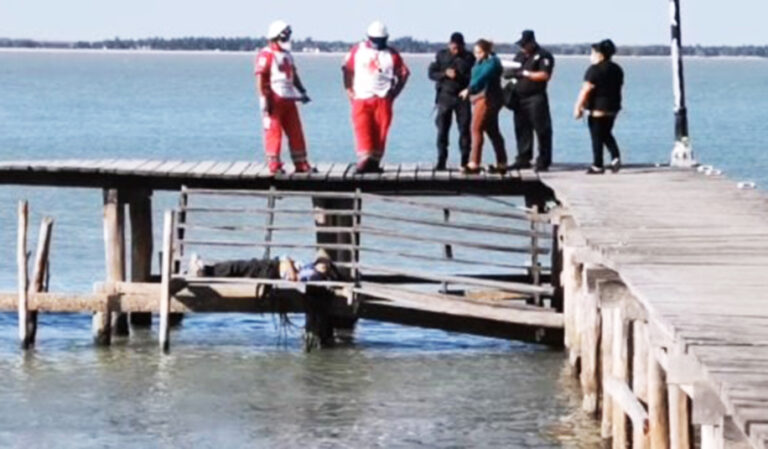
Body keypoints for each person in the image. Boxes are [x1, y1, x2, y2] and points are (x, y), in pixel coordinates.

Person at [342, 21, 410, 174]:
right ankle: (364, 160)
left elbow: (404, 74)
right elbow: (347, 70)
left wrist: (394, 93)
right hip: (362, 97)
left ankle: (374, 162)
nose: (378, 43)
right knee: (362, 129)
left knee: (380, 131)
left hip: (383, 98)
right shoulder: (357, 50)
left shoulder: (392, 54)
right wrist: (349, 90)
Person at [255, 20, 313, 175]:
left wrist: (302, 91)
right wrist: (263, 98)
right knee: (274, 132)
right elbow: (260, 77)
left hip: (289, 98)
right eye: (284, 35)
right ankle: (274, 164)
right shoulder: (266, 54)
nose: (287, 38)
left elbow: (294, 75)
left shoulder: (287, 55)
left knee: (296, 131)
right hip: (274, 98)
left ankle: (301, 162)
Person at [574, 39, 624, 174]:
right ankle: (615, 156)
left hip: (597, 108)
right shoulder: (617, 69)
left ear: (600, 54)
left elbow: (586, 89)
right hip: (613, 107)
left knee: (597, 136)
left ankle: (598, 164)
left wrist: (578, 107)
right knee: (606, 133)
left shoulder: (594, 70)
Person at [507, 30, 555, 172]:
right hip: (519, 98)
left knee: (541, 129)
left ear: (532, 42)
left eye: (524, 44)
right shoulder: (520, 56)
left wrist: (526, 73)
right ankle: (523, 158)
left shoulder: (544, 55)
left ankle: (543, 160)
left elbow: (544, 75)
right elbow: (513, 71)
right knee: (521, 129)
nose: (522, 47)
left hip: (536, 97)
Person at [459, 39, 507, 174]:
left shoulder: (492, 63)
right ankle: (502, 162)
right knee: (492, 130)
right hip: (482, 98)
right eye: (475, 52)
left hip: (487, 98)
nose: (476, 55)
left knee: (475, 128)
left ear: (486, 51)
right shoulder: (480, 62)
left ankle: (474, 163)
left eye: (479, 52)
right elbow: (476, 76)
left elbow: (483, 77)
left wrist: (469, 89)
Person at [428, 32, 475, 171]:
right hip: (445, 97)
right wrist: (444, 74)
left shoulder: (469, 57)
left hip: (462, 97)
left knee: (464, 130)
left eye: (458, 48)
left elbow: (474, 77)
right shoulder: (442, 55)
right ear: (449, 45)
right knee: (442, 130)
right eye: (453, 48)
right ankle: (441, 161)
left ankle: (464, 161)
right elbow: (431, 73)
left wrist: (464, 82)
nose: (456, 51)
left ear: (463, 46)